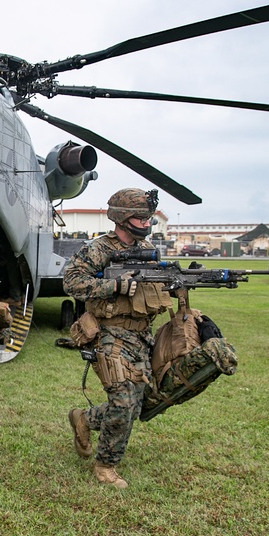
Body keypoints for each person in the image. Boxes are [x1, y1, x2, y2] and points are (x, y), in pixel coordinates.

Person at [62, 188, 172, 489]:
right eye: (139, 217)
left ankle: (84, 418)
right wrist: (115, 286)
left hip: (140, 337)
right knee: (123, 402)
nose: (145, 222)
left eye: (147, 217)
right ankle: (106, 466)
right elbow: (71, 282)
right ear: (122, 218)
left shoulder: (148, 249)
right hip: (108, 335)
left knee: (138, 405)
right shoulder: (98, 249)